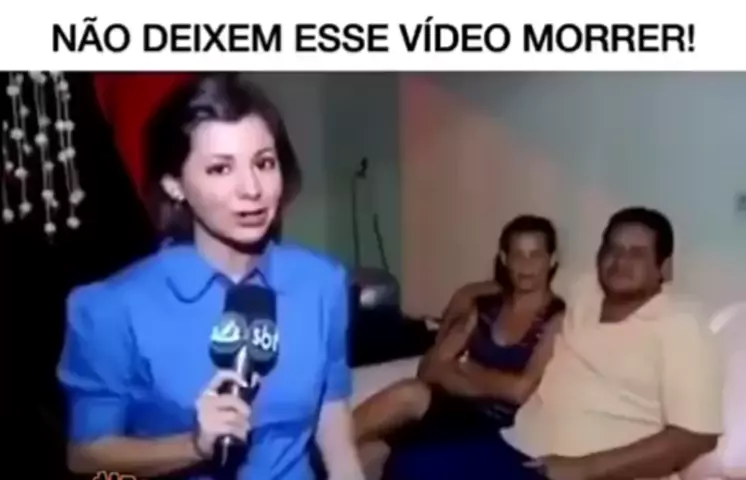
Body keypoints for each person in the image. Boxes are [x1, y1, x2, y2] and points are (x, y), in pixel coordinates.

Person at [57, 74, 364, 480]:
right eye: (220, 168)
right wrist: (193, 445)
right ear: (175, 185)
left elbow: (334, 426)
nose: (251, 189)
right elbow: (86, 453)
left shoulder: (320, 283)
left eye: (264, 163)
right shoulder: (109, 307)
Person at [389, 207, 724, 480]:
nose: (620, 261)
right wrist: (466, 295)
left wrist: (583, 469)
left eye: (636, 253)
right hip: (516, 446)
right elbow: (524, 275)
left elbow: (696, 436)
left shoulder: (682, 324)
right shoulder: (585, 290)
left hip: (581, 471)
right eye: (612, 249)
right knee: (409, 464)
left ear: (664, 266)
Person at [353, 215, 566, 477]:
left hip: (495, 428)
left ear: (552, 260)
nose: (526, 264)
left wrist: (465, 371)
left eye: (535, 255)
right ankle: (317, 447)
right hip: (454, 408)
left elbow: (520, 391)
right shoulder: (484, 307)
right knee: (405, 398)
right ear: (504, 259)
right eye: (517, 255)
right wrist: (478, 381)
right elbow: (429, 368)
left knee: (395, 454)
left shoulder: (557, 318)